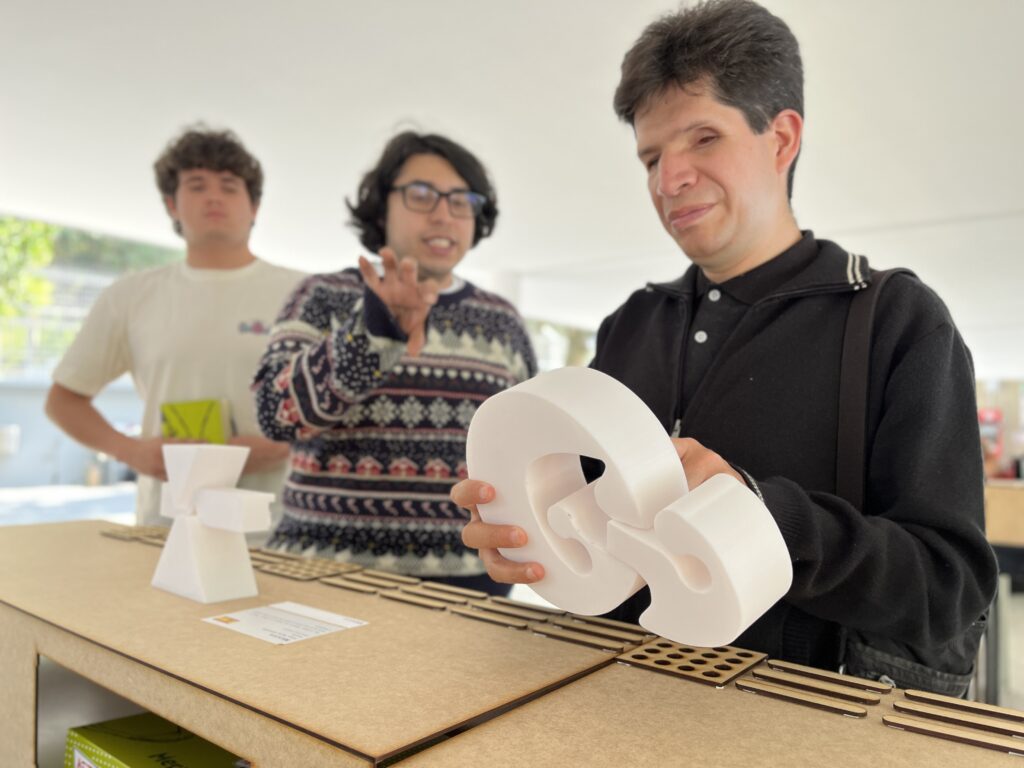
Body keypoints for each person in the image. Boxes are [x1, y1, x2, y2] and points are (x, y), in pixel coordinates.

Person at [454, 0, 996, 691]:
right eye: (651, 156)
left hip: (802, 731)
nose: (667, 179)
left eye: (702, 139)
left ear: (781, 139)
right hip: (608, 713)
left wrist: (758, 515)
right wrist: (529, 534)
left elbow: (949, 588)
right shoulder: (632, 324)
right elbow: (594, 532)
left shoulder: (895, 319)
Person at [252, 131, 536, 595]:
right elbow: (272, 414)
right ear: (382, 206)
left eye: (462, 200)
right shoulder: (322, 296)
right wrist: (374, 332)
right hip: (322, 573)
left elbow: (524, 446)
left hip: (471, 583)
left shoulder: (502, 320)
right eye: (421, 195)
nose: (444, 213)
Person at [46, 126, 304, 530]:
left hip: (284, 528)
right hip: (168, 528)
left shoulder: (304, 294)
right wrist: (131, 451)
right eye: (197, 185)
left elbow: (352, 406)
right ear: (172, 204)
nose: (214, 196)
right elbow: (63, 401)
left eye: (230, 186)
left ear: (254, 207)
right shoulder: (130, 297)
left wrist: (289, 443)